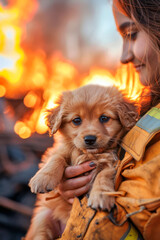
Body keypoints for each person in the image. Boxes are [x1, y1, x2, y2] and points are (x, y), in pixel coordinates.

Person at [57, 0, 160, 239]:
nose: (124, 56)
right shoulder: (149, 111)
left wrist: (86, 209)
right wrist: (71, 194)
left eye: (132, 34)